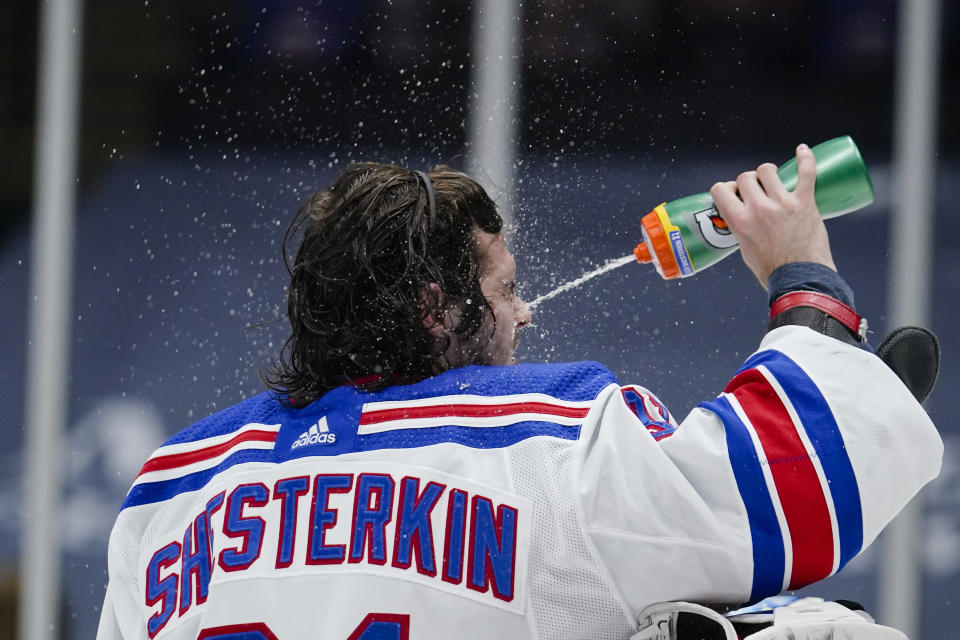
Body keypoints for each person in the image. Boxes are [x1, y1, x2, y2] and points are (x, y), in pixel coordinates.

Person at [97, 147, 942, 640]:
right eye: (504, 289)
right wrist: (807, 287)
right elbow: (795, 488)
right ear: (436, 310)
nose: (525, 313)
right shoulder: (549, 443)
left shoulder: (170, 489)